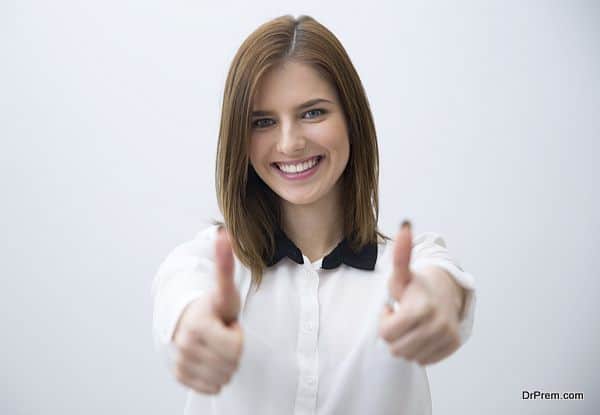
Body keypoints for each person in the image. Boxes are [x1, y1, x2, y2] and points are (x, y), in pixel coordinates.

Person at [151, 14, 476, 415]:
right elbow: (180, 297)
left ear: (351, 120)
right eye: (263, 122)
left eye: (313, 113)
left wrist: (436, 303)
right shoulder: (203, 263)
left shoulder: (409, 266)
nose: (290, 143)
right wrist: (192, 328)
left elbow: (445, 289)